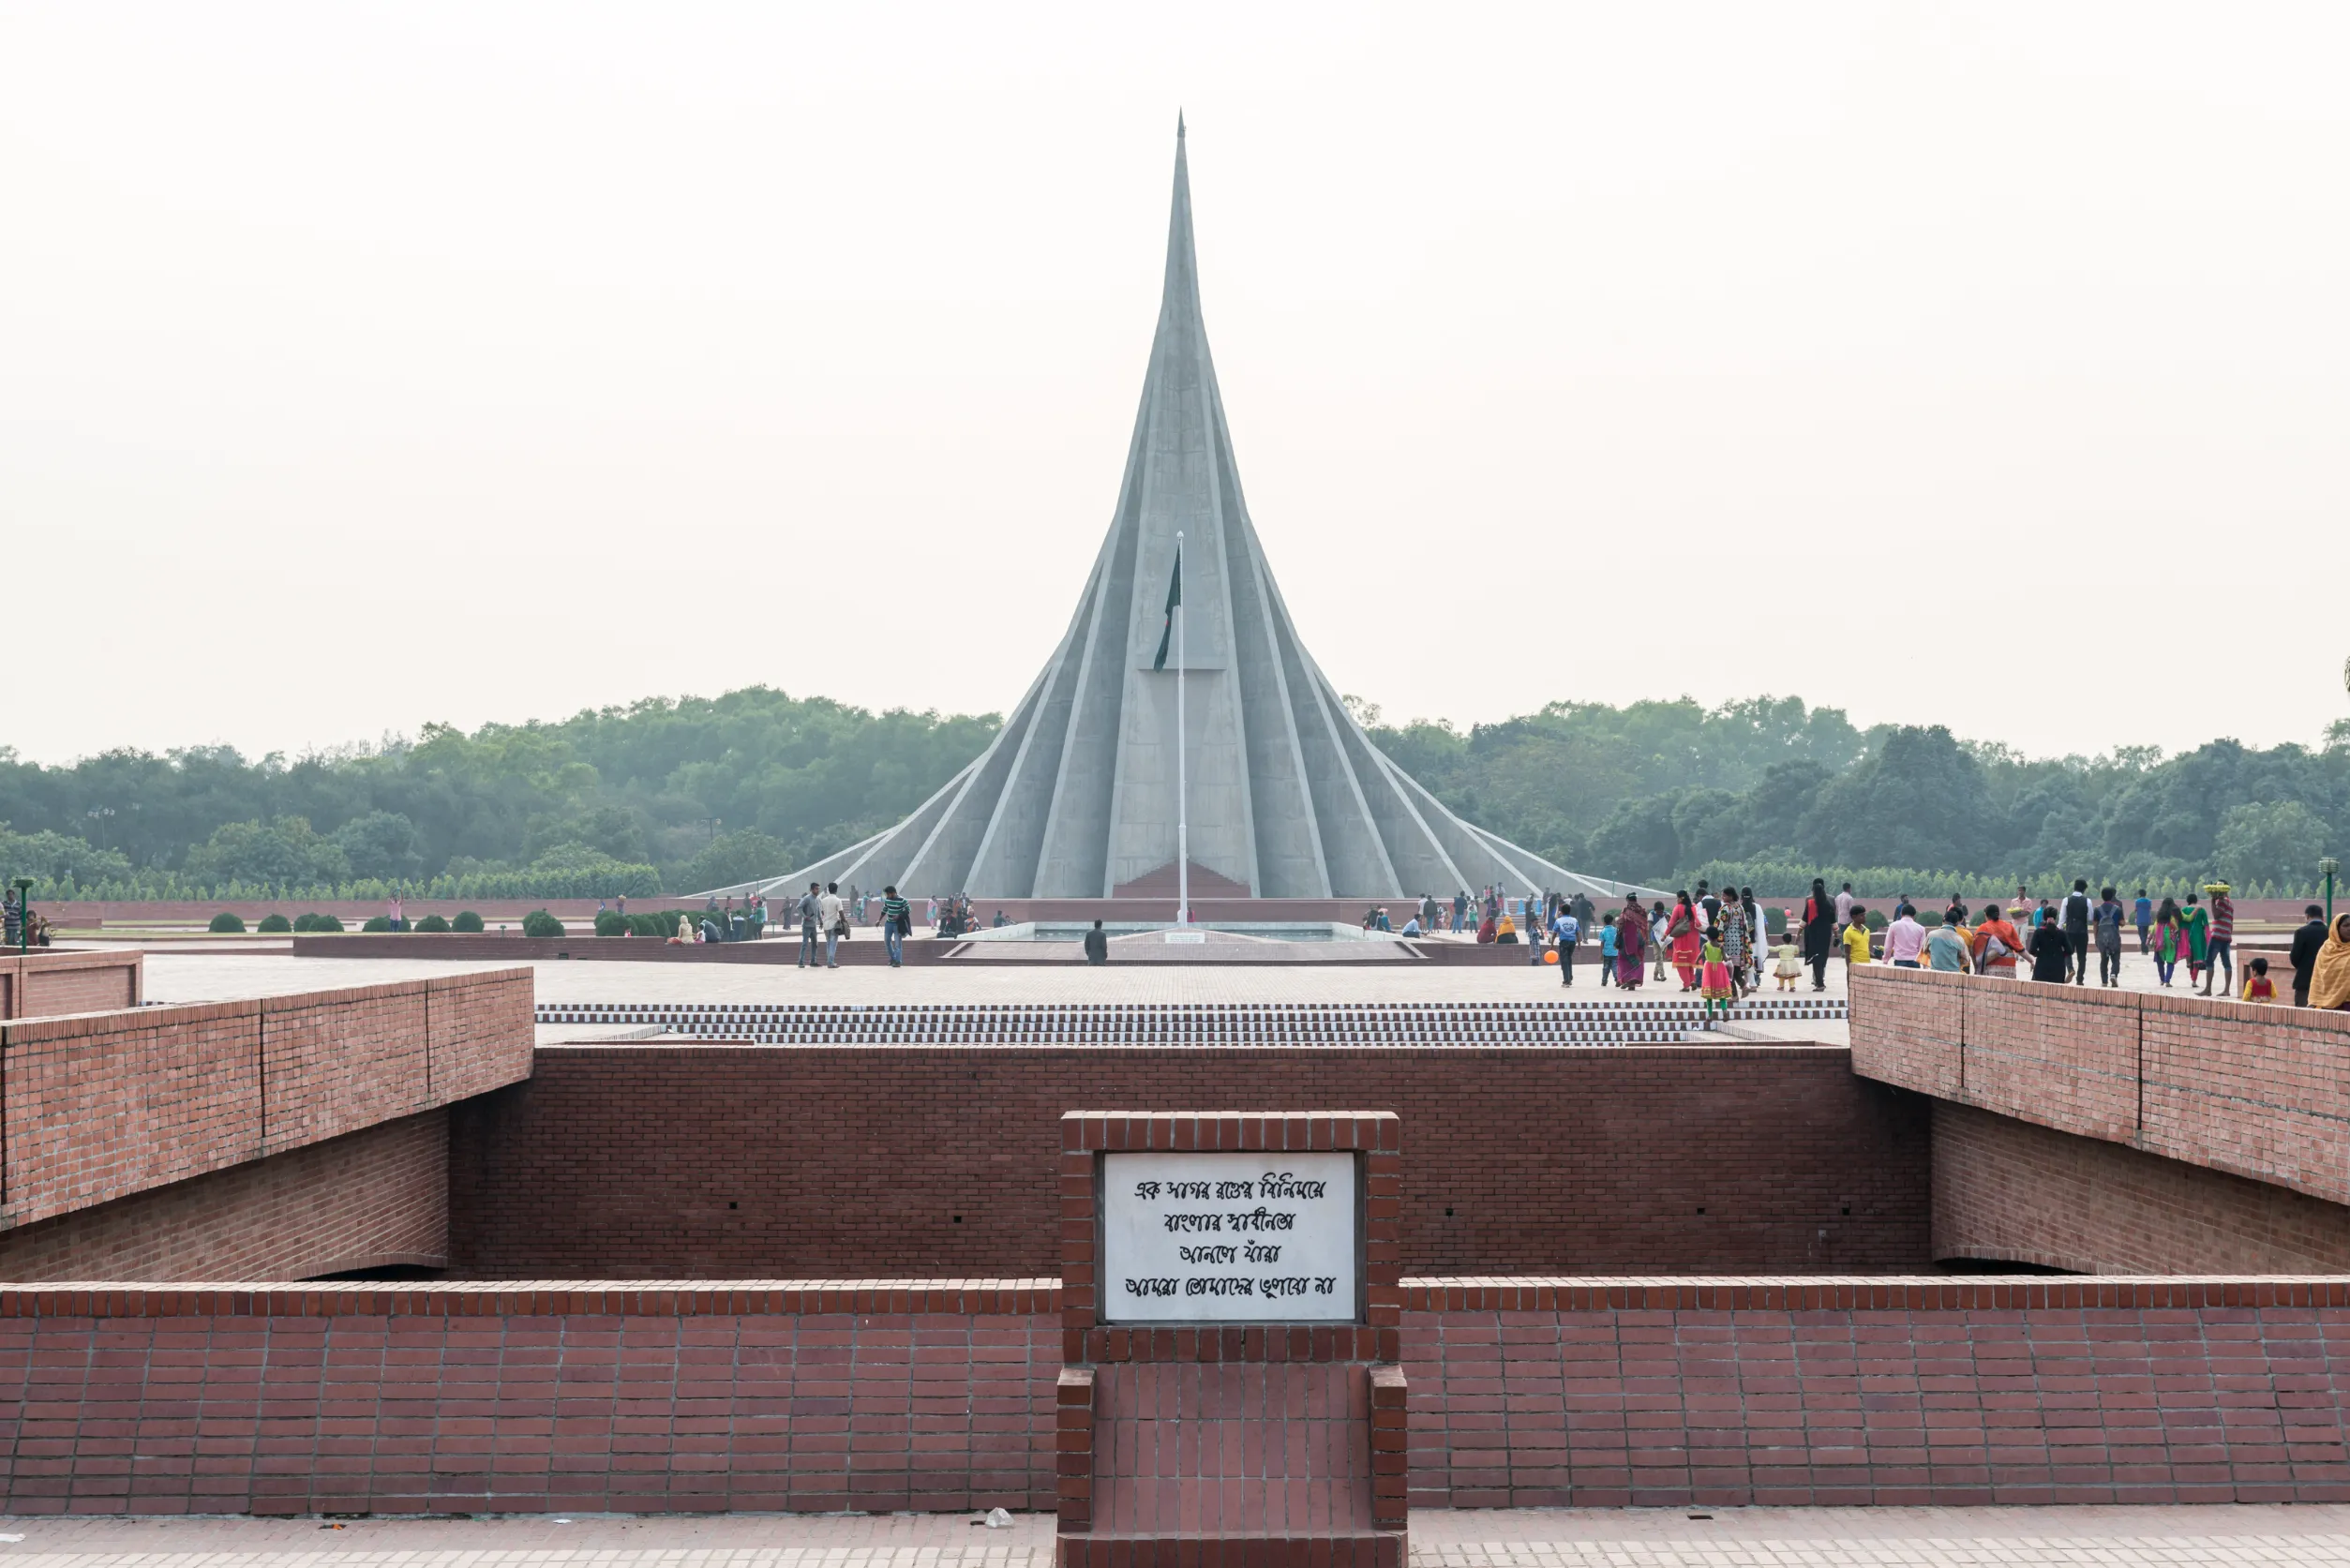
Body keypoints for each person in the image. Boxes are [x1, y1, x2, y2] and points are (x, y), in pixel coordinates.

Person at [2199, 884, 2236, 997]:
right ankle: (2226, 990)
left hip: (2218, 935)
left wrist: (2212, 901)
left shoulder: (2221, 901)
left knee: (2209, 960)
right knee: (2226, 962)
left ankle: (2208, 989)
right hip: (2226, 936)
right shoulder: (2230, 902)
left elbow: (2216, 915)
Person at [1970, 903, 2025, 978]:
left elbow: (1976, 949)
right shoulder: (2009, 926)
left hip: (1992, 968)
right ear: (1998, 914)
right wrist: (2031, 961)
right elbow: (2019, 947)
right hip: (2010, 967)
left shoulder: (1983, 928)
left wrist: (1976, 967)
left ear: (1985, 915)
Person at [1802, 878, 1837, 992]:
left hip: (1813, 934)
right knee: (1823, 956)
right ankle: (1820, 978)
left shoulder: (1810, 902)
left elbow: (1804, 920)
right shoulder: (1829, 902)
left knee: (1815, 957)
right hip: (1826, 934)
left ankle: (1819, 982)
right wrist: (1837, 935)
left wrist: (1798, 934)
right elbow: (1833, 921)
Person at [2309, 914, 2350, 1010]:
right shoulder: (2326, 950)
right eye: (2345, 926)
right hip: (2327, 1007)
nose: (2349, 929)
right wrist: (2313, 1002)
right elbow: (2317, 978)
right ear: (2336, 929)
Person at [2290, 903, 2328, 1006]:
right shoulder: (2330, 932)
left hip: (2305, 980)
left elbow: (2294, 958)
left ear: (2307, 916)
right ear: (2322, 917)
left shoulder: (2301, 932)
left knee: (2302, 1014)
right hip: (2326, 981)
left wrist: (2304, 967)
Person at [1666, 892, 1701, 990]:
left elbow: (1671, 923)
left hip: (1681, 939)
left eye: (1677, 898)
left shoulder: (1678, 908)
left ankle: (1686, 985)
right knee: (1689, 962)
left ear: (1681, 898)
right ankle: (1692, 980)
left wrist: (1665, 934)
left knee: (1681, 964)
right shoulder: (1694, 906)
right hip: (1694, 939)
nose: (1676, 900)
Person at [2092, 887, 2126, 987]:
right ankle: (2113, 974)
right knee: (2115, 959)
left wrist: (2096, 938)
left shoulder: (2097, 909)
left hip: (2102, 938)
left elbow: (2095, 925)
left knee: (2104, 959)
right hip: (2114, 938)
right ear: (2112, 896)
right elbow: (2123, 923)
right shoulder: (2117, 909)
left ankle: (2104, 981)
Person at [2060, 879, 2092, 984]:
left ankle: (2070, 969)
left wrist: (2058, 929)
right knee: (2082, 956)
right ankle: (2080, 979)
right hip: (2082, 931)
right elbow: (2090, 917)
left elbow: (2062, 919)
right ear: (2084, 889)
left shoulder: (2066, 900)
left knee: (2067, 952)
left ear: (2074, 887)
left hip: (2069, 930)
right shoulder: (2087, 901)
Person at [2026, 912, 2072, 982]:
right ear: (2055, 918)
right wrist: (2061, 955)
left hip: (2042, 965)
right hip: (2058, 966)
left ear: (2044, 918)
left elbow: (2032, 950)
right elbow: (2069, 951)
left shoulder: (2038, 932)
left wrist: (2040, 954)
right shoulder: (2062, 933)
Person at [1699, 935, 1734, 1023]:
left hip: (1709, 969)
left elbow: (1701, 954)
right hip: (1719, 969)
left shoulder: (1706, 945)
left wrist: (1696, 961)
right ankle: (1724, 1011)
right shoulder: (1721, 946)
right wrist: (1729, 958)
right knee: (1722, 994)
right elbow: (1725, 959)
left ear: (1708, 936)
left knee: (1709, 996)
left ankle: (1710, 1016)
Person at [1616, 898, 1648, 989]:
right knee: (1638, 958)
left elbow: (1621, 923)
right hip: (1641, 938)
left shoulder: (1626, 911)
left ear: (1628, 900)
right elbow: (1646, 926)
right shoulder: (1642, 911)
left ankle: (1627, 980)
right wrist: (1647, 939)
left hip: (1628, 939)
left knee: (1624, 960)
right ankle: (1632, 983)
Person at [2179, 892, 2209, 988]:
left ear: (2187, 901)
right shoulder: (2201, 910)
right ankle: (2194, 980)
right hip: (2198, 936)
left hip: (2187, 936)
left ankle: (2190, 971)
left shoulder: (2183, 910)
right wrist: (2208, 938)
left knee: (2190, 957)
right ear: (2196, 900)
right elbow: (2206, 925)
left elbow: (2181, 925)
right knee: (2197, 958)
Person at [1882, 903, 1927, 968]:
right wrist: (1925, 966)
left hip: (1899, 961)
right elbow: (1922, 949)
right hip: (1914, 962)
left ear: (1901, 914)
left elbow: (1888, 946)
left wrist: (1885, 960)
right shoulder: (1921, 928)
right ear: (1914, 915)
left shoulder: (1893, 926)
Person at [2150, 896, 2182, 986]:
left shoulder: (2159, 916)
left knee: (2160, 960)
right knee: (2170, 959)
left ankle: (2162, 979)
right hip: (2170, 940)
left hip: (2159, 938)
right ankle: (2167, 981)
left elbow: (2154, 928)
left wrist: (2150, 938)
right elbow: (2176, 928)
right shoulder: (2172, 916)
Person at [880, 885, 910, 968]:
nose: (887, 896)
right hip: (889, 923)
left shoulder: (902, 900)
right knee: (887, 941)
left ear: (893, 893)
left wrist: (899, 915)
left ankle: (898, 961)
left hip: (898, 924)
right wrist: (879, 920)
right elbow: (884, 910)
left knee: (898, 944)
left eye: (888, 894)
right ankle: (893, 958)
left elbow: (908, 909)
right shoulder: (887, 900)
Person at [1551, 902, 1580, 986]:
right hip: (1572, 942)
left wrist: (1552, 943)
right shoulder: (1574, 920)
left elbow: (1554, 933)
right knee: (1569, 959)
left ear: (1562, 912)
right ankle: (1569, 976)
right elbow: (1577, 932)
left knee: (1564, 961)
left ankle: (1567, 980)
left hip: (1564, 942)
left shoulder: (1559, 921)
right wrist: (1579, 944)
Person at [819, 881, 846, 967]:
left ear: (829, 890)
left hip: (826, 925)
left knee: (828, 944)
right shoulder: (837, 900)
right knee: (833, 945)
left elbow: (822, 912)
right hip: (834, 925)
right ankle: (830, 963)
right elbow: (841, 912)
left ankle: (829, 961)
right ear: (836, 890)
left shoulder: (823, 900)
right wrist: (844, 922)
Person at [796, 881, 823, 967]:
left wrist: (821, 920)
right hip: (807, 926)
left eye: (818, 889)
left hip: (813, 926)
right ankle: (801, 961)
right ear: (811, 890)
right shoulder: (807, 898)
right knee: (805, 943)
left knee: (815, 944)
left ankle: (813, 961)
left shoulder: (818, 899)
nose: (817, 890)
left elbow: (818, 911)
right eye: (816, 889)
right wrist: (804, 916)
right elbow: (799, 907)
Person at [1842, 905, 1873, 971]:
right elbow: (1847, 954)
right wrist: (1849, 970)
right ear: (1854, 917)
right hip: (1855, 965)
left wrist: (1877, 956)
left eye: (1865, 915)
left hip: (1867, 965)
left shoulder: (1867, 930)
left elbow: (1864, 950)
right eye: (1861, 915)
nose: (1864, 917)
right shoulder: (1848, 932)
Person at [1597, 912, 1619, 987]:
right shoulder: (1616, 930)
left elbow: (1602, 944)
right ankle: (1617, 979)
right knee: (1615, 967)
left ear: (1604, 922)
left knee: (1606, 968)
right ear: (1612, 921)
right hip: (1615, 952)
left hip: (1606, 953)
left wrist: (1601, 954)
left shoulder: (1603, 931)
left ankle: (1604, 981)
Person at [2133, 889, 2154, 953]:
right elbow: (2150, 908)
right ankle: (2145, 948)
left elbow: (2135, 909)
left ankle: (2144, 948)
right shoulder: (2149, 901)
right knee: (2145, 934)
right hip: (2146, 919)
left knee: (2141, 934)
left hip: (2140, 919)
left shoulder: (2137, 901)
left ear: (2139, 894)